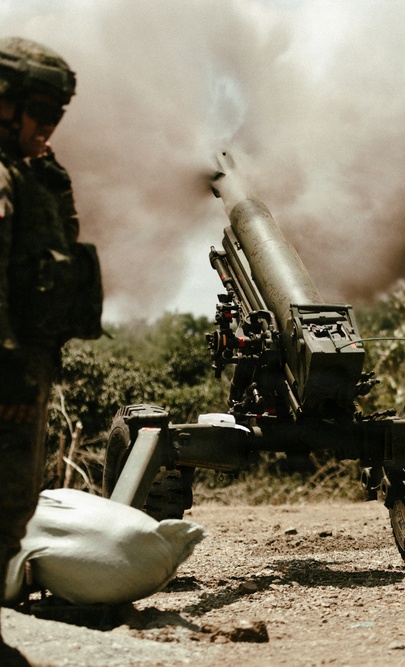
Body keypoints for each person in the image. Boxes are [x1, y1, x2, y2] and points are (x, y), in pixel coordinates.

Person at [0, 36, 102, 666]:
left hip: (22, 376)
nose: (49, 124)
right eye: (40, 108)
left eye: (58, 112)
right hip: (7, 375)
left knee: (10, 508)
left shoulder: (35, 175)